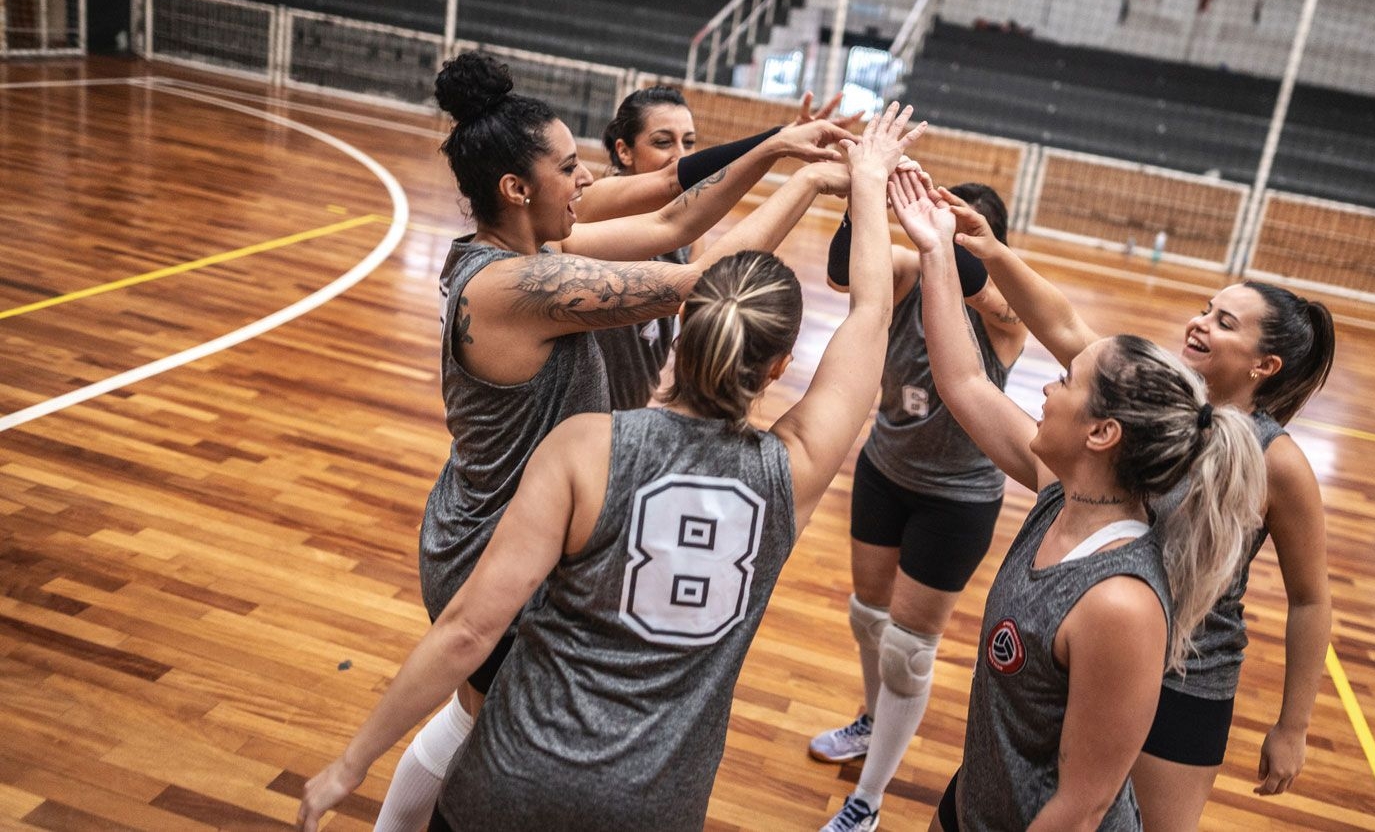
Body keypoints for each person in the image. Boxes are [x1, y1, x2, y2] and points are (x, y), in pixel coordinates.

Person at [297, 103, 926, 832]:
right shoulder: (524, 292)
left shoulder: (540, 295)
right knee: (469, 712)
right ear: (515, 187)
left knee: (471, 716)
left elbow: (672, 236)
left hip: (514, 592)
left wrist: (799, 166)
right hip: (493, 546)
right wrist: (857, 183)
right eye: (567, 166)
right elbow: (755, 289)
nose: (585, 175)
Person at [936, 188, 1336, 829]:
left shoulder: (1278, 462)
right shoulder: (1154, 400)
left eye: (1225, 323)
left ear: (1267, 364)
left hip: (1188, 675)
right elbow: (1066, 329)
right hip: (1088, 648)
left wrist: (1293, 725)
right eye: (1207, 309)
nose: (1200, 323)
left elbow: (1311, 598)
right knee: (1047, 793)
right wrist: (991, 250)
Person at [808, 184, 1028, 832]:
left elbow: (985, 287)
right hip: (885, 469)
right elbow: (842, 270)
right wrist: (862, 196)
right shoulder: (902, 274)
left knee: (907, 647)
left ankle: (868, 799)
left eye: (964, 226)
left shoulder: (1001, 315)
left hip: (958, 497)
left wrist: (943, 228)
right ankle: (872, 720)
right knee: (867, 615)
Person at [586, 85, 857, 410]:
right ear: (624, 151)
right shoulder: (589, 213)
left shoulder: (686, 237)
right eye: (662, 142)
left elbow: (702, 290)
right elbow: (674, 180)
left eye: (689, 142)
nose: (681, 155)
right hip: (569, 431)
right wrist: (780, 144)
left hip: (625, 420)